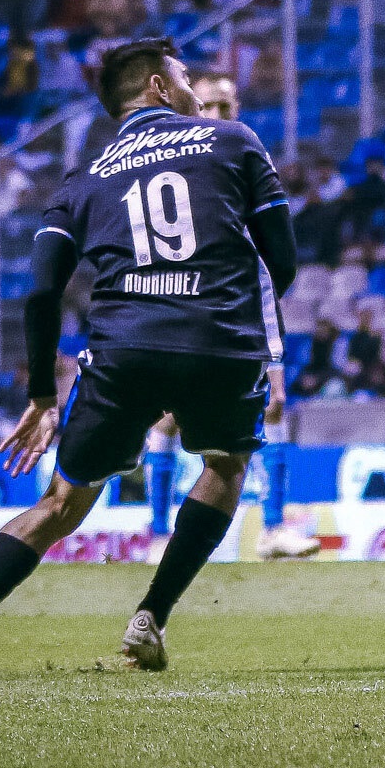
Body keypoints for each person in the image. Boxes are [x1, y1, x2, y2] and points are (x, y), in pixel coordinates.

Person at [0, 37, 298, 675]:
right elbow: (280, 261)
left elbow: (41, 293)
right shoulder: (233, 141)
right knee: (225, 468)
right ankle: (149, 619)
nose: (190, 93)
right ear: (156, 87)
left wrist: (43, 396)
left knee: (60, 503)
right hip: (218, 340)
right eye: (182, 80)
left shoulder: (85, 179)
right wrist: (229, 320)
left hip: (124, 348)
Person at [142, 70, 317, 561]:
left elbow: (267, 250)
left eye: (226, 106)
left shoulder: (246, 161)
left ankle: (274, 528)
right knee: (170, 417)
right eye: (209, 105)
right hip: (182, 305)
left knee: (275, 404)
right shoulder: (171, 165)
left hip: (243, 305)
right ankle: (158, 535)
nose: (217, 114)